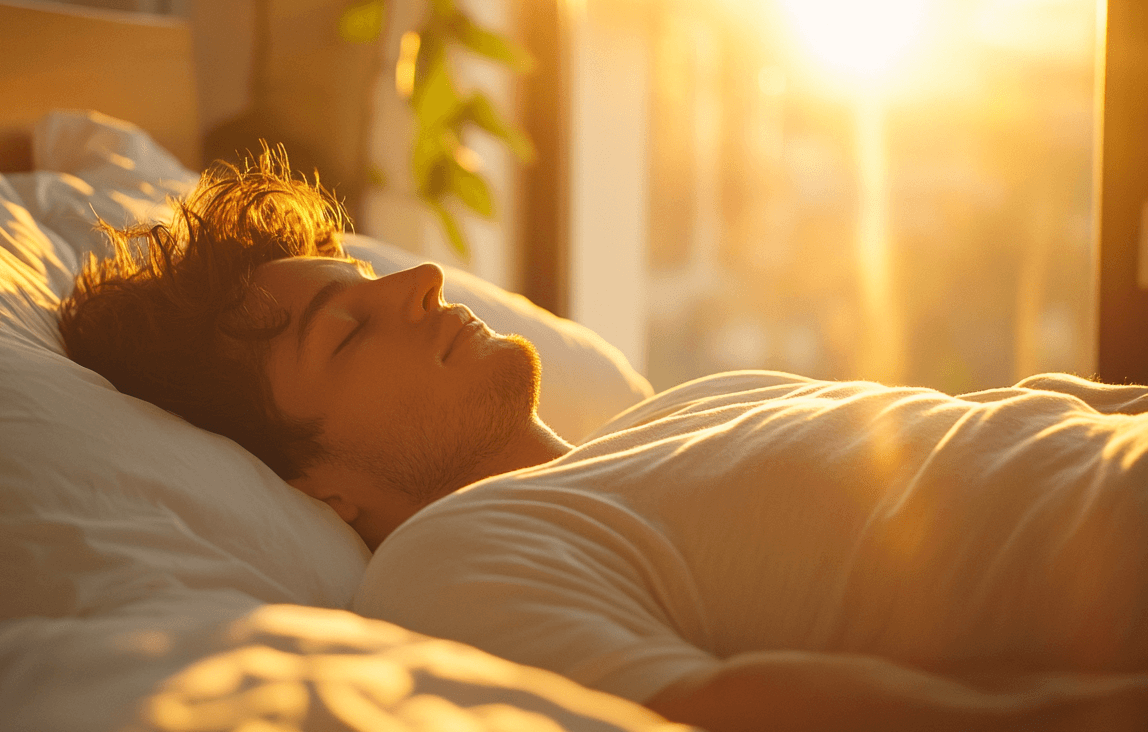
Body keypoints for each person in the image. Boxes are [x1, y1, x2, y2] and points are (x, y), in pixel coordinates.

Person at [60, 149, 1148, 732]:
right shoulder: (452, 560)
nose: (421, 282)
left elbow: (1028, 427)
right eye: (345, 329)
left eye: (373, 276)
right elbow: (705, 714)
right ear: (320, 490)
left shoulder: (685, 411)